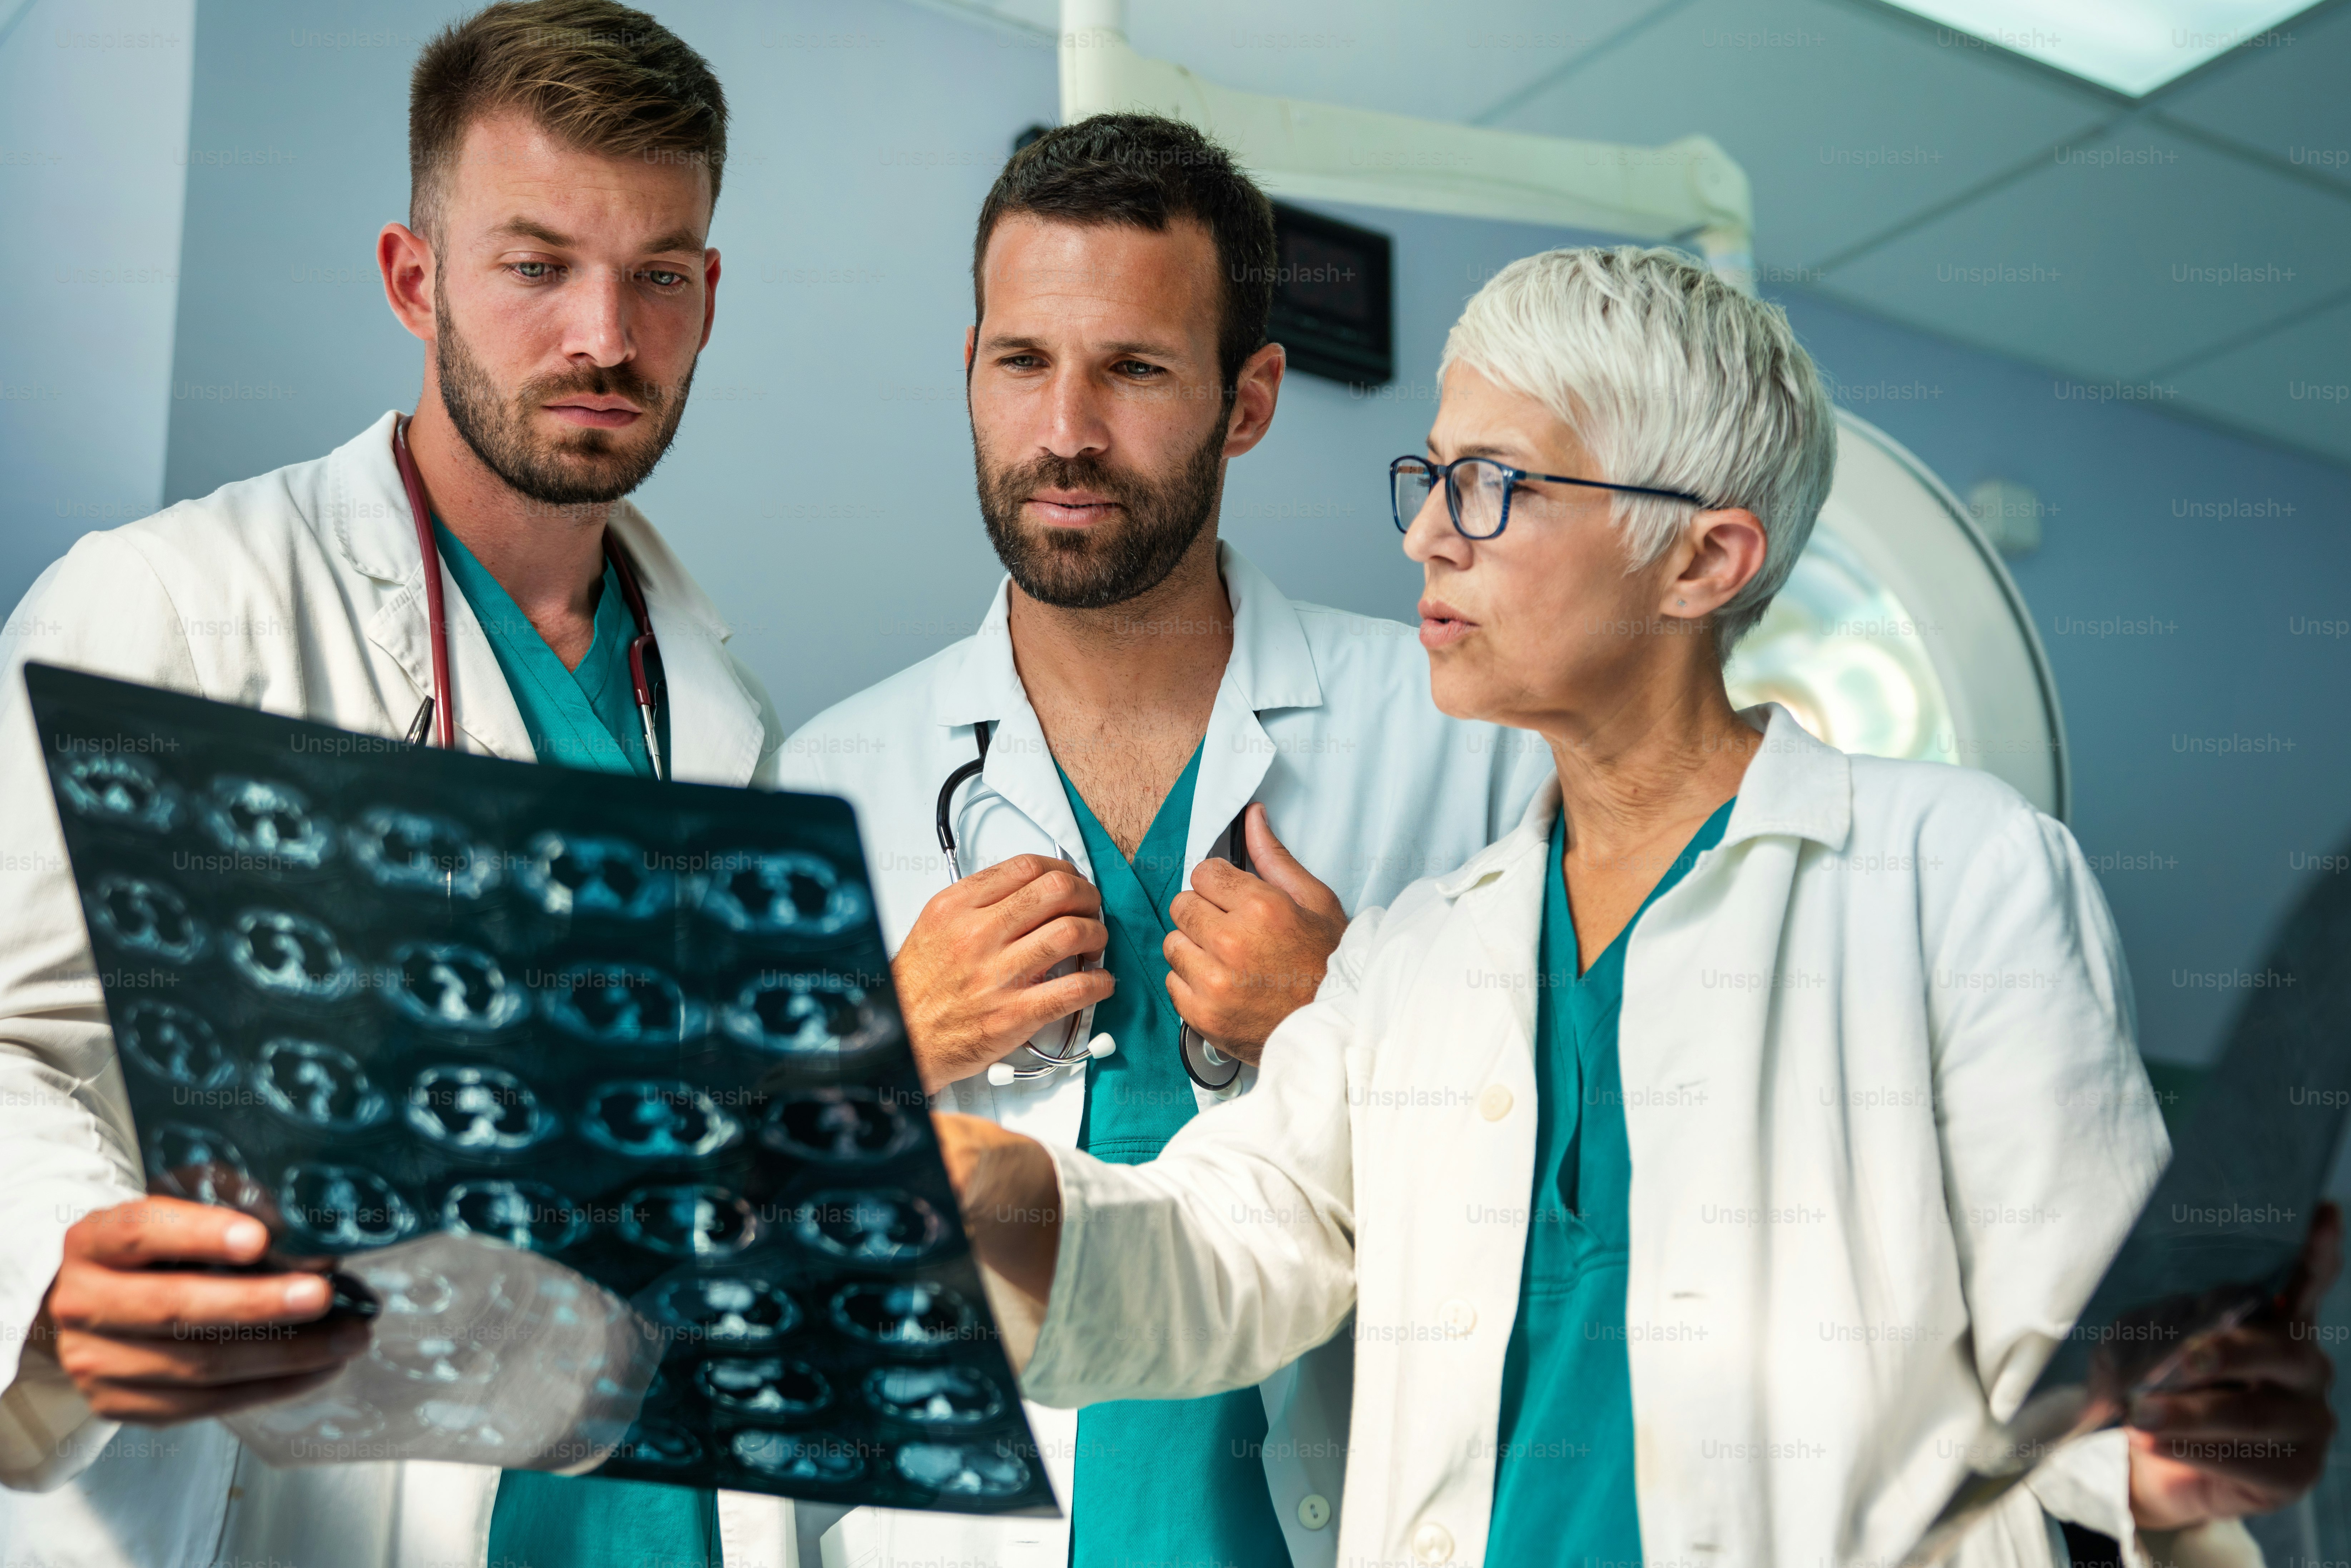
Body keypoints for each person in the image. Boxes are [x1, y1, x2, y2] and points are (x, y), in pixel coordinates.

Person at [935, 247, 2341, 1568]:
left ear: (1700, 563)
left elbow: (2091, 1354)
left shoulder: (1954, 873)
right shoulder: (1416, 955)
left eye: (1490, 483)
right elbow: (1227, 1251)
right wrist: (1003, 1191)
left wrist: (2189, 1439)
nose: (1427, 531)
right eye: (1427, 474)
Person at [0, 4, 796, 1565]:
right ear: (413, 277)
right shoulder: (176, 613)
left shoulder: (719, 710)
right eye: (534, 264)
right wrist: (59, 1255)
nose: (601, 336)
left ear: (709, 297)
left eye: (657, 275)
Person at [775, 116, 1549, 1567]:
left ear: (1247, 399)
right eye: (1022, 363)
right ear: (970, 370)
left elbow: (1578, 1176)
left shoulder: (1465, 741)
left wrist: (1352, 1025)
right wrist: (879, 1040)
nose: (1066, 428)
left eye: (1132, 368)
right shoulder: (828, 775)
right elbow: (693, 1221)